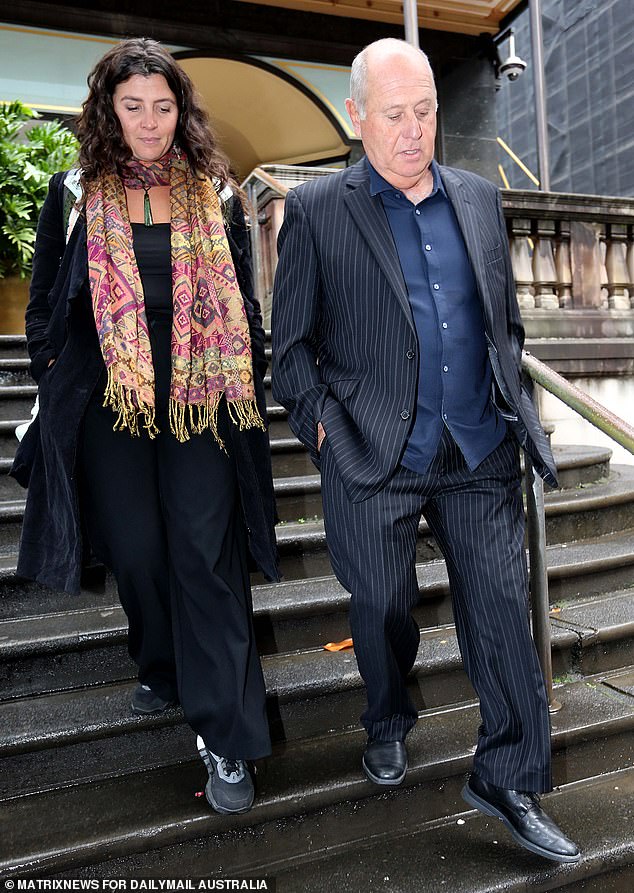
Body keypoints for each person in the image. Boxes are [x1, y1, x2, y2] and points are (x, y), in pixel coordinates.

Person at [272, 38, 580, 862]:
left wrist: (511, 404)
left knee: (503, 614)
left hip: (477, 450)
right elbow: (291, 352)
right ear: (357, 116)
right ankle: (387, 716)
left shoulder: (479, 197)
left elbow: (500, 319)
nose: (414, 132)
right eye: (395, 115)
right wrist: (328, 433)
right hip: (374, 455)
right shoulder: (315, 211)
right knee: (379, 607)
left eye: (427, 113)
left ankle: (508, 774)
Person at [13, 38, 278, 816]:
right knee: (135, 548)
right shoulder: (73, 191)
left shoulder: (214, 193)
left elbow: (243, 297)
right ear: (109, 111)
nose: (151, 121)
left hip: (202, 395)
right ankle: (161, 662)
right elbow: (42, 305)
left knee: (206, 552)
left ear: (181, 110)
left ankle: (228, 737)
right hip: (109, 396)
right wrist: (55, 372)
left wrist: (245, 368)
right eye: (134, 106)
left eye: (163, 106)